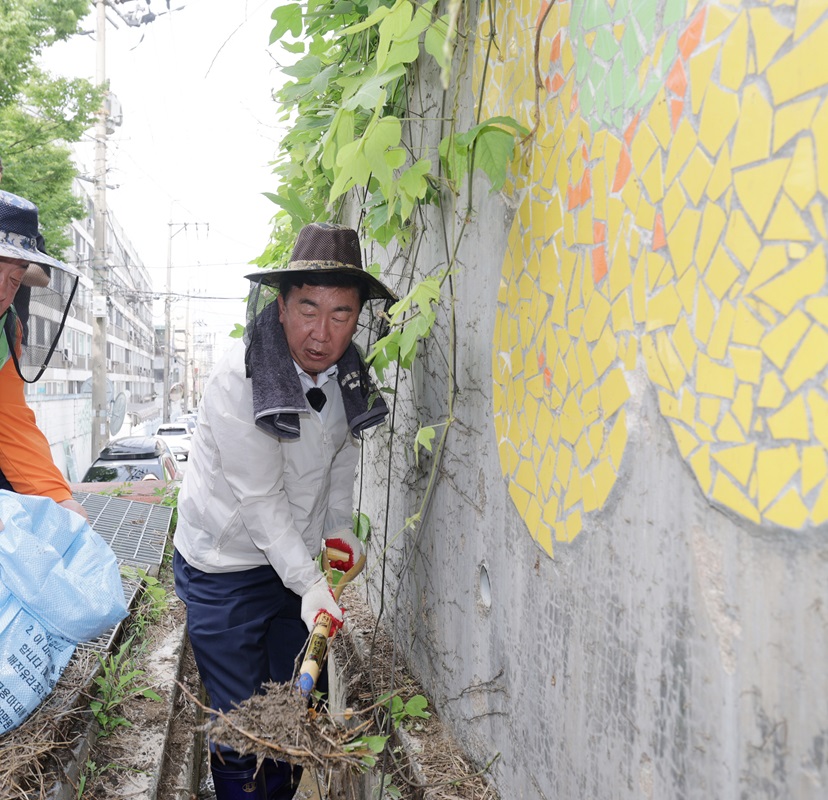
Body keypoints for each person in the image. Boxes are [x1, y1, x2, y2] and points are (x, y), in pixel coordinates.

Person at [173, 223, 396, 799]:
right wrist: (309, 582)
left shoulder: (348, 376)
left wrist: (339, 531)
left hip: (292, 564)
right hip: (225, 567)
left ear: (359, 317)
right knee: (243, 728)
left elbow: (340, 461)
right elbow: (258, 498)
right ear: (280, 305)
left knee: (295, 714)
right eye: (307, 309)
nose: (322, 334)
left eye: (341, 314)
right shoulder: (239, 378)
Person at [0, 189, 87, 520]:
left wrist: (58, 498)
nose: (2, 290)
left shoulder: (7, 330)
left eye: (16, 277)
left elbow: (9, 418)